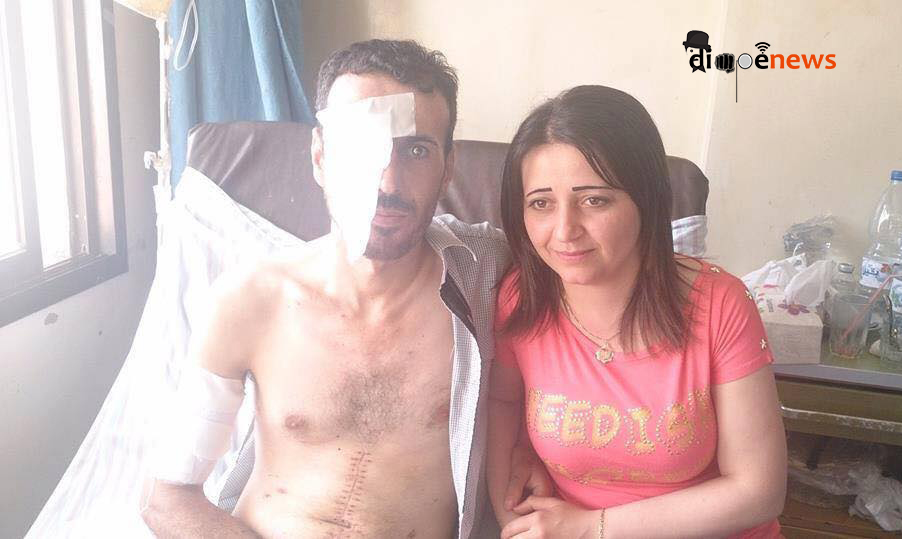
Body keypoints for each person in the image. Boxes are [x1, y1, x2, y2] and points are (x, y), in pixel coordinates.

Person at [140, 39, 529, 539]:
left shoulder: (489, 274)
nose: (387, 182)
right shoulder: (251, 300)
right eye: (361, 146)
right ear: (321, 157)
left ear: (447, 167)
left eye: (416, 150)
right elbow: (165, 497)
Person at [487, 85, 787, 538]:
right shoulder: (522, 297)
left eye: (594, 200)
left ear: (645, 201)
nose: (564, 230)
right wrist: (513, 518)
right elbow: (503, 403)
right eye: (541, 203)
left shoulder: (720, 304)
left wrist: (591, 529)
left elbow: (758, 491)